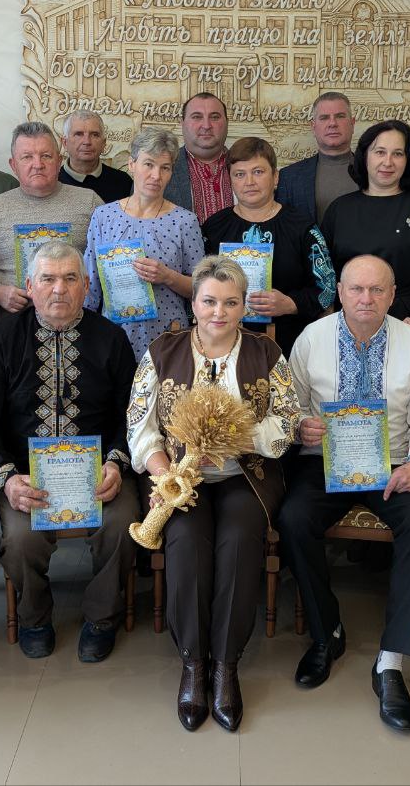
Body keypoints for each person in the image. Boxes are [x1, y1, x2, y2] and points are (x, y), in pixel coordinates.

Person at [127, 256, 301, 732]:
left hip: (247, 474)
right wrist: (165, 475)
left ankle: (225, 664)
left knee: (240, 541)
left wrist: (234, 436)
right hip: (182, 478)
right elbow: (140, 425)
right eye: (209, 301)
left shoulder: (266, 353)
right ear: (194, 303)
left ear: (244, 306)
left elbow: (287, 421)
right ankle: (193, 662)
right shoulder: (162, 351)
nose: (219, 312)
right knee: (186, 542)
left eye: (230, 302)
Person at [279, 255, 410, 732]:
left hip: (393, 463)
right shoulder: (311, 338)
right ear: (340, 293)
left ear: (392, 295)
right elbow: (290, 405)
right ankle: (327, 631)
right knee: (292, 519)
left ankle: (391, 661)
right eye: (356, 289)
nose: (365, 299)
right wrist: (300, 427)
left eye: (376, 290)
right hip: (324, 460)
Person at [0, 242, 138, 661]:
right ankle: (35, 616)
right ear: (29, 285)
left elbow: (133, 414)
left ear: (86, 285)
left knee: (122, 525)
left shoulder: (111, 338)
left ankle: (101, 616)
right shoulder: (3, 337)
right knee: (20, 538)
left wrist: (116, 463)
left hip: (99, 474)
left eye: (70, 278)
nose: (59, 289)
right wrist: (7, 478)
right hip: (26, 475)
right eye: (48, 279)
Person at [201, 136, 335, 354]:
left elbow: (327, 290)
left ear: (275, 177)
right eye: (239, 174)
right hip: (224, 346)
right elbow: (197, 288)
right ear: (230, 180)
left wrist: (291, 303)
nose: (249, 182)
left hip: (290, 345)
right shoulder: (213, 227)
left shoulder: (302, 227)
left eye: (258, 172)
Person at [320, 120, 410, 335]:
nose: (388, 162)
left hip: (409, 323)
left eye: (398, 154)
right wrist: (328, 327)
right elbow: (324, 278)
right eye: (380, 152)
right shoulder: (339, 209)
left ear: (408, 160)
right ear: (365, 156)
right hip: (348, 323)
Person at [84, 127, 205, 357]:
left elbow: (202, 288)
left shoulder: (185, 221)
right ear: (131, 164)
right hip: (111, 339)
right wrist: (83, 336)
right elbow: (89, 286)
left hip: (168, 339)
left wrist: (168, 276)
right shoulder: (103, 216)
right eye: (148, 164)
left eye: (165, 168)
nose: (156, 176)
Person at [0, 122, 102, 318]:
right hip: (16, 321)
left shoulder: (90, 202)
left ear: (59, 161)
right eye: (27, 157)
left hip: (78, 319)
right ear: (13, 165)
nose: (38, 164)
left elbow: (105, 264)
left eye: (46, 156)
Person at [275, 91, 358, 224]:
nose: (332, 123)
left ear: (352, 124)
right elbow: (282, 228)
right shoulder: (289, 177)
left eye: (340, 116)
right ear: (313, 127)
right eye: (324, 118)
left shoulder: (372, 172)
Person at [164, 92, 233, 223]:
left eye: (215, 117)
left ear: (227, 123)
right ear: (182, 124)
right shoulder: (159, 170)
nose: (206, 126)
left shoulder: (247, 167)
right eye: (197, 117)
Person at [59, 110, 133, 203]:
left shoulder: (123, 182)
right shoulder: (51, 182)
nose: (87, 142)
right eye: (79, 134)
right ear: (65, 143)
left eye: (94, 135)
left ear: (103, 143)